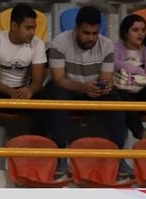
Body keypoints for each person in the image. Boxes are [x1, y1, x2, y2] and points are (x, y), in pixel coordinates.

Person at [42, 5, 129, 176]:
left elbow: (106, 77)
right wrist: (83, 87)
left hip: (92, 89)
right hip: (68, 88)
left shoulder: (106, 45)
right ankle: (60, 156)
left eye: (95, 33)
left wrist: (103, 86)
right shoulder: (59, 43)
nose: (90, 38)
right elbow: (59, 79)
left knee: (116, 101)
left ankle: (119, 157)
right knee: (57, 98)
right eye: (86, 33)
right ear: (76, 29)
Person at [0, 2, 47, 174]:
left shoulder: (37, 44)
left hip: (23, 93)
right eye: (28, 28)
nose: (32, 32)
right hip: (2, 91)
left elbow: (38, 80)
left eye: (34, 28)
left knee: (45, 98)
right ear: (14, 26)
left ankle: (37, 155)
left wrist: (30, 89)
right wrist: (9, 91)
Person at [113, 13, 146, 140]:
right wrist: (138, 70)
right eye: (135, 30)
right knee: (124, 97)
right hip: (124, 92)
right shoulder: (115, 47)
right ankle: (140, 132)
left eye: (143, 30)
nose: (140, 34)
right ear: (126, 32)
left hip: (140, 94)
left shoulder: (145, 51)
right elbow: (114, 64)